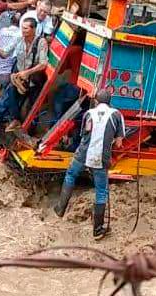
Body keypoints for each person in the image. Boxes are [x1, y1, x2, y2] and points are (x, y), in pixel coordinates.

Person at [54, 89, 125, 240]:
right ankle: (97, 230)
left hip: (82, 154)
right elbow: (119, 143)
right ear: (109, 102)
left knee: (71, 175)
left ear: (97, 101)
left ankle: (60, 209)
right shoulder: (116, 115)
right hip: (100, 158)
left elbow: (84, 135)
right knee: (101, 191)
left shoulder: (89, 114)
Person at [0, 17, 48, 140]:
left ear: (34, 29)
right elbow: (5, 54)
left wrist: (28, 72)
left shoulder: (41, 42)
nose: (23, 30)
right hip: (18, 80)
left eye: (26, 28)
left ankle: (28, 135)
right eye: (22, 28)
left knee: (33, 110)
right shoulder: (19, 39)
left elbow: (43, 64)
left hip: (33, 82)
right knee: (3, 103)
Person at [0, 12, 21, 90]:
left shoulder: (2, 31)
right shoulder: (20, 34)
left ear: (11, 21)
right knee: (4, 97)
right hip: (7, 73)